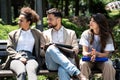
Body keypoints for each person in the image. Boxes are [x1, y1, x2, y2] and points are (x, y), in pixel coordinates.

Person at [3, 7, 45, 80]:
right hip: (16, 58)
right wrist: (19, 57)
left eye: (21, 20)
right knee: (21, 72)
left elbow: (43, 47)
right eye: (19, 20)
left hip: (31, 58)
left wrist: (43, 48)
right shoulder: (12, 34)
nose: (18, 22)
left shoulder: (37, 33)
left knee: (32, 71)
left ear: (28, 22)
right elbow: (9, 48)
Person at [43, 8, 81, 80]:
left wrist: (70, 50)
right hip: (52, 63)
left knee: (62, 69)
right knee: (51, 47)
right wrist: (46, 49)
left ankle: (75, 71)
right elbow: (41, 52)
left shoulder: (71, 33)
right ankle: (77, 73)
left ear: (58, 19)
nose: (48, 21)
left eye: (50, 19)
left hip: (67, 60)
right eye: (48, 19)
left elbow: (76, 48)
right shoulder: (45, 33)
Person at [79, 13, 116, 80]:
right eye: (90, 20)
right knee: (83, 63)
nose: (90, 22)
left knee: (108, 65)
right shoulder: (86, 34)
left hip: (102, 60)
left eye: (93, 21)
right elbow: (84, 52)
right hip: (89, 59)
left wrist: (97, 54)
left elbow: (106, 54)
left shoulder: (107, 36)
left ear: (99, 23)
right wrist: (90, 54)